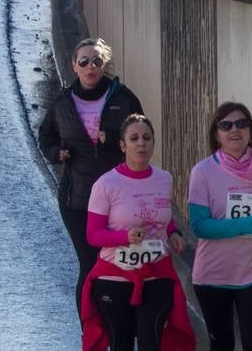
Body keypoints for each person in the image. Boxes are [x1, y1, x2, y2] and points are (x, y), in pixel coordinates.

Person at [37, 38, 145, 314]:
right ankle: (90, 327)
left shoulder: (123, 98)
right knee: (90, 262)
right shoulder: (63, 101)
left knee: (120, 260)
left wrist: (115, 142)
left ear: (105, 64)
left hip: (118, 197)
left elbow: (142, 137)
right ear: (74, 66)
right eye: (83, 61)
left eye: (97, 61)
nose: (90, 67)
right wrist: (56, 152)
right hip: (78, 198)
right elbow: (46, 136)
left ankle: (119, 324)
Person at [81, 114, 197, 350]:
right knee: (121, 344)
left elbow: (162, 217)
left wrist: (174, 233)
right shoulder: (106, 184)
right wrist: (125, 237)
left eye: (147, 138)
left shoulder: (164, 179)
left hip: (157, 274)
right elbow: (93, 235)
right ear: (123, 145)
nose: (141, 143)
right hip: (114, 276)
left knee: (150, 343)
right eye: (134, 138)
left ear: (154, 142)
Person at [188, 102, 252, 351]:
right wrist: (244, 225)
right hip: (214, 275)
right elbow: (200, 226)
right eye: (226, 125)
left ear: (251, 131)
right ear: (217, 134)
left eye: (242, 123)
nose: (235, 130)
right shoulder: (202, 172)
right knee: (222, 344)